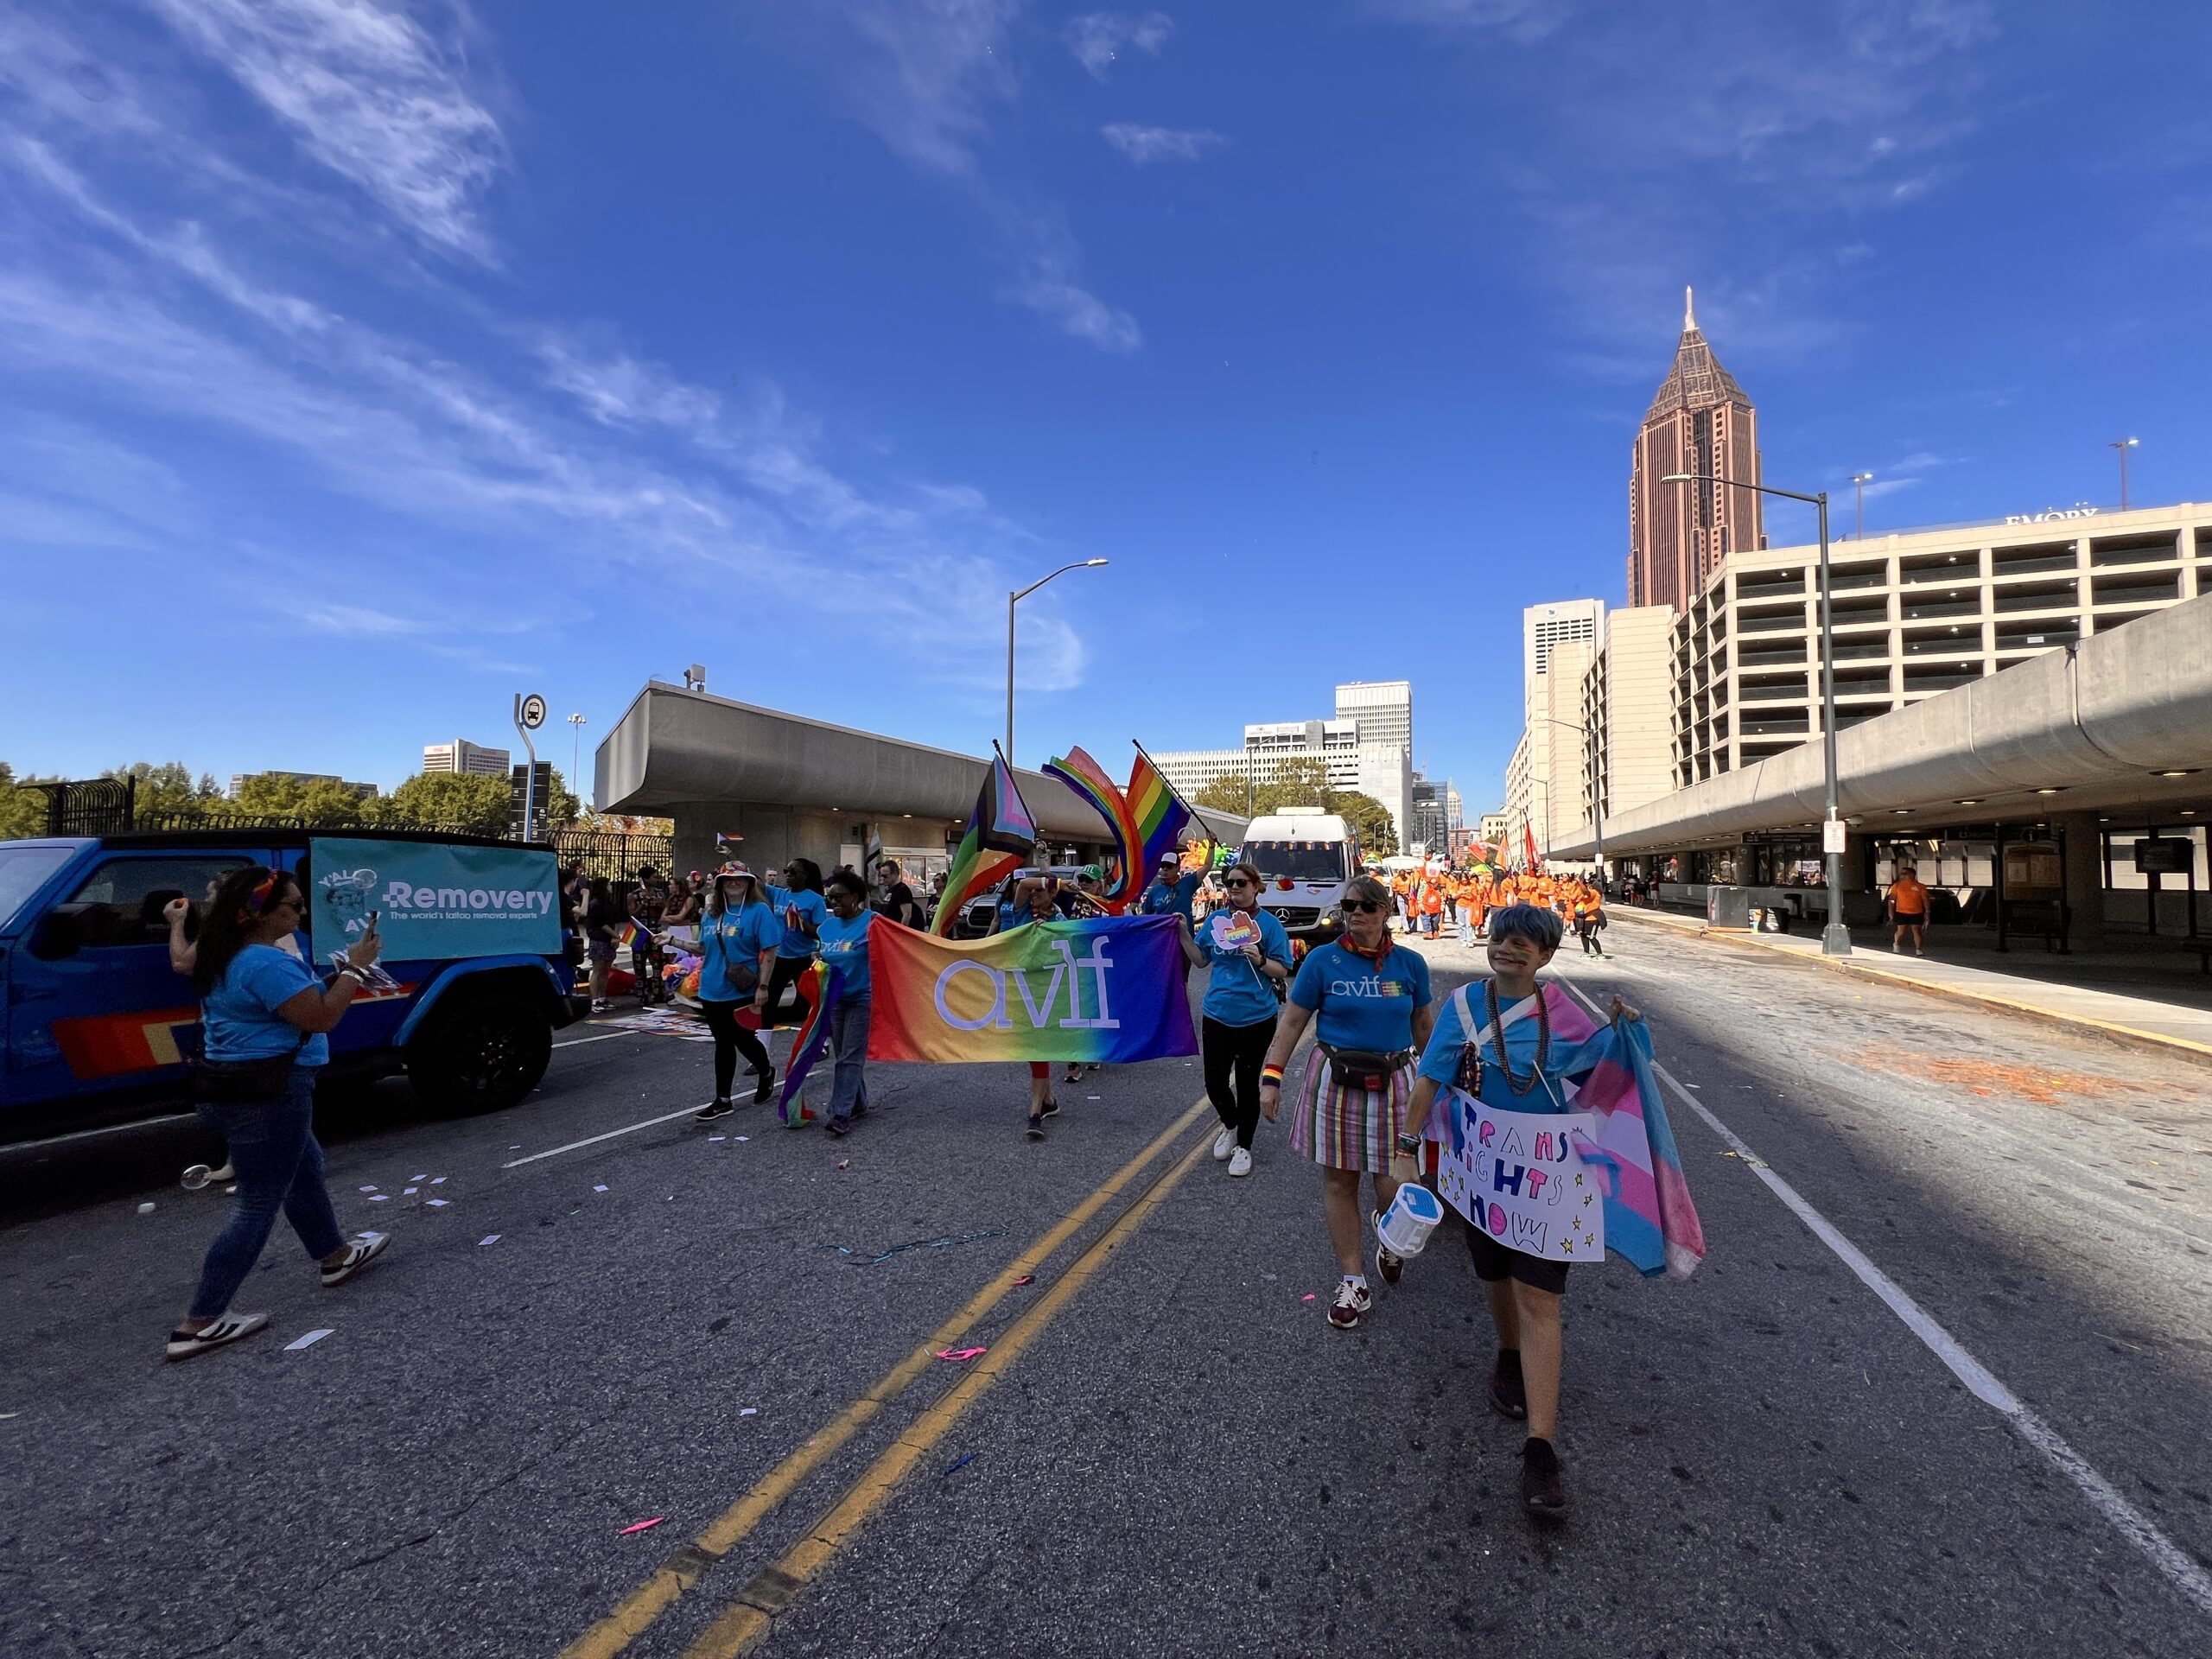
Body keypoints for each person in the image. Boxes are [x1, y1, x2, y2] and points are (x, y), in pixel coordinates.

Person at [1400, 903, 1641, 1521]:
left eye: (1525, 944)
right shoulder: (1459, 1009)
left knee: (1540, 1297)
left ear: (1546, 956)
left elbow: (1603, 1085)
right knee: (1492, 1275)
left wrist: (1624, 1034)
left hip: (1548, 1180)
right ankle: (1508, 1354)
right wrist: (1407, 1149)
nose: (1509, 950)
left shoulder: (1564, 1014)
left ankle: (1541, 1448)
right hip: (1478, 1171)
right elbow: (1429, 1079)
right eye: (1502, 938)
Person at [166, 867, 391, 1361]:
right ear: (259, 913)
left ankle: (334, 1255)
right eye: (291, 905)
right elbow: (321, 1017)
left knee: (304, 1169)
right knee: (257, 1201)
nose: (301, 911)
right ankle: (201, 1320)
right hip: (270, 1091)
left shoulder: (221, 951)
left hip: (229, 1085)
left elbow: (296, 1004)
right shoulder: (265, 962)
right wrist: (355, 968)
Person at [1259, 874, 1433, 1329]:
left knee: (1393, 1182)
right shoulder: (1321, 961)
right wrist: (1271, 1078)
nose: (1356, 913)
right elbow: (1293, 1022)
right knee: (1340, 1183)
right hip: (1335, 1082)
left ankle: (1389, 1238)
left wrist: (1442, 1083)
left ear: (1385, 912)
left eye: (1367, 907)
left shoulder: (1411, 965)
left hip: (1395, 1082)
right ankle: (1352, 1280)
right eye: (1350, 906)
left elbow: (1423, 1029)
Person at [1175, 861, 1292, 1177]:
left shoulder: (1269, 926)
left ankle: (1245, 1146)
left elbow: (1283, 969)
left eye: (1242, 883)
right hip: (1217, 1013)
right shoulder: (1215, 921)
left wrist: (1261, 959)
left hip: (1257, 1016)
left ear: (1256, 886)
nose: (1235, 888)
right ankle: (1230, 1124)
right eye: (1230, 883)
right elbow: (1200, 960)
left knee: (1246, 1084)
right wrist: (1184, 933)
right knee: (1214, 1082)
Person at [694, 864, 781, 1120]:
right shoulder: (711, 914)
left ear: (748, 883)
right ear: (719, 884)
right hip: (711, 990)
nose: (734, 884)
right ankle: (723, 1099)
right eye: (727, 880)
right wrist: (672, 941)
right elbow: (702, 948)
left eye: (740, 880)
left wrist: (763, 987)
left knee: (743, 1040)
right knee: (723, 1043)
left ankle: (765, 1071)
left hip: (741, 990)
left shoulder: (759, 911)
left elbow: (770, 951)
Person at [990, 874, 1073, 1140]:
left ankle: (1035, 1112)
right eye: (1035, 890)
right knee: (1031, 1047)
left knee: (1040, 1047)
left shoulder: (1060, 921)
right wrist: (1057, 882)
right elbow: (1024, 884)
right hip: (1020, 989)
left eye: (1042, 891)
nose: (1034, 893)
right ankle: (1048, 1100)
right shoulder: (1020, 912)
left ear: (1051, 897)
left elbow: (1065, 954)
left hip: (1047, 992)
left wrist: (1046, 935)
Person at [815, 869, 879, 1137]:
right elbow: (822, 956)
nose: (833, 903)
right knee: (843, 1055)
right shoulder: (825, 927)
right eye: (829, 898)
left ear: (855, 897)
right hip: (835, 1000)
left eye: (839, 897)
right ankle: (859, 1102)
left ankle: (839, 1112)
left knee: (850, 1057)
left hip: (863, 999)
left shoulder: (873, 922)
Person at [760, 858, 827, 1027]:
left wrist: (801, 923)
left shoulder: (815, 900)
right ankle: (763, 1042)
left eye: (793, 872)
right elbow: (754, 883)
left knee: (810, 1004)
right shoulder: (780, 894)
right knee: (768, 1004)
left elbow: (821, 933)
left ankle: (819, 1042)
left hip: (803, 958)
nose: (788, 875)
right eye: (786, 871)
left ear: (804, 876)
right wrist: (730, 857)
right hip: (780, 957)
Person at [583, 875, 622, 1013]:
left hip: (609, 941)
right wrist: (615, 935)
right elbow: (601, 924)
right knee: (597, 970)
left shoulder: (609, 903)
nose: (611, 887)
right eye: (609, 884)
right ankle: (594, 1001)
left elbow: (615, 921)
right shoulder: (595, 904)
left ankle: (602, 998)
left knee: (606, 970)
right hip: (599, 940)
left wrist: (616, 937)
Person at [1887, 863, 1929, 956]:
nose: (1902, 875)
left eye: (1904, 873)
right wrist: (1891, 913)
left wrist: (1927, 912)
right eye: (1901, 873)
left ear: (1912, 875)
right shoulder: (1897, 886)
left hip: (1917, 912)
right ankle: (1896, 943)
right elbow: (1892, 899)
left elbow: (1925, 900)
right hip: (1901, 912)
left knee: (1916, 930)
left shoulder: (1920, 886)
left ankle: (1918, 949)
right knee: (1901, 931)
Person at [874, 859, 921, 928]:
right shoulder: (889, 890)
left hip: (896, 930)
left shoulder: (902, 890)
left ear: (895, 874)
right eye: (881, 876)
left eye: (885, 876)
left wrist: (900, 932)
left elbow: (907, 915)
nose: (883, 879)